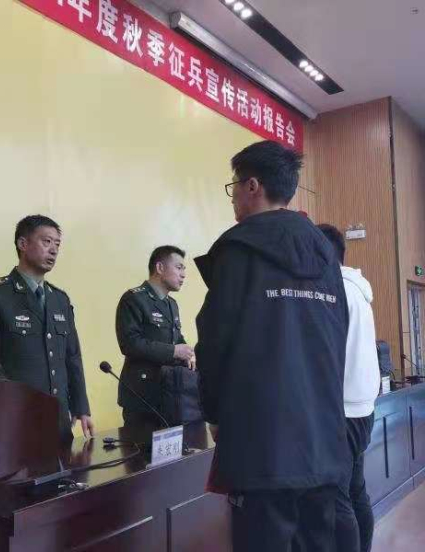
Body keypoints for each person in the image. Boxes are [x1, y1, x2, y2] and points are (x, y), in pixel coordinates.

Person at [194, 140, 349, 552]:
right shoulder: (326, 255)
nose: (233, 198)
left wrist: (214, 412)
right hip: (324, 440)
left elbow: (214, 340)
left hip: (261, 441)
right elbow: (339, 337)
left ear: (252, 186)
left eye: (234, 187)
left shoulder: (237, 250)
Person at [0, 215, 94, 441]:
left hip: (58, 419)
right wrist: (10, 406)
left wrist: (81, 407)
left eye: (57, 244)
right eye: (47, 241)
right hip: (14, 422)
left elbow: (72, 356)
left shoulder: (60, 299)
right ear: (23, 244)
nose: (54, 250)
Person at [318, 224, 380, 552]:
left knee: (337, 498)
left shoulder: (333, 289)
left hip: (341, 411)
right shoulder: (357, 288)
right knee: (356, 492)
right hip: (362, 409)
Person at [115, 246, 197, 432]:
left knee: (175, 450)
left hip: (170, 394)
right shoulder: (134, 299)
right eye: (179, 267)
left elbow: (176, 338)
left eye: (184, 269)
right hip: (142, 395)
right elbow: (130, 343)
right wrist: (173, 351)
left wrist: (188, 353)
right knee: (142, 449)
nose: (183, 274)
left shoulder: (171, 304)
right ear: (160, 268)